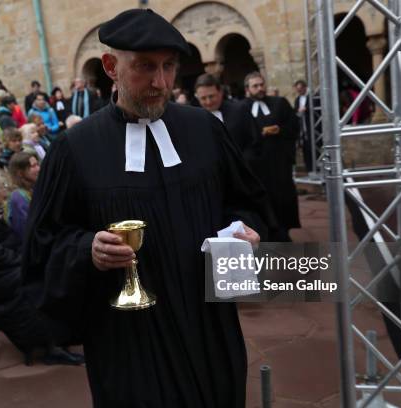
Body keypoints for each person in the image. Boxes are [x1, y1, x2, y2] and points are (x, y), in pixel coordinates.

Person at [22, 9, 274, 407]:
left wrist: (249, 230)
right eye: (144, 67)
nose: (160, 82)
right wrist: (86, 249)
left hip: (209, 323)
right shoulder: (74, 149)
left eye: (169, 66)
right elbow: (41, 243)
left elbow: (247, 203)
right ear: (111, 67)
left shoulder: (205, 130)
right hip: (128, 338)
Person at [0, 171, 83, 364]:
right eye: (2, 187)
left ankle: (57, 335)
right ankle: (48, 346)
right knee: (40, 278)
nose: (6, 189)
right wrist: (26, 261)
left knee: (48, 270)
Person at [242, 72, 300, 242]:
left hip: (278, 162)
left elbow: (294, 125)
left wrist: (280, 130)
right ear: (248, 89)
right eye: (255, 86)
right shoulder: (241, 108)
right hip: (255, 167)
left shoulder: (279, 103)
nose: (260, 88)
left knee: (282, 197)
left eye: (261, 84)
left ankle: (283, 231)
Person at [193, 73, 260, 158]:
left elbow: (254, 141)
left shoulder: (240, 110)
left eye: (211, 96)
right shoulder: (194, 118)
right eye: (203, 98)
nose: (208, 102)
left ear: (220, 92)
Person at [5, 151, 39, 240]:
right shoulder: (18, 198)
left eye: (37, 164)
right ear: (20, 173)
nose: (38, 169)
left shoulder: (34, 188)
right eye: (33, 166)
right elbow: (26, 230)